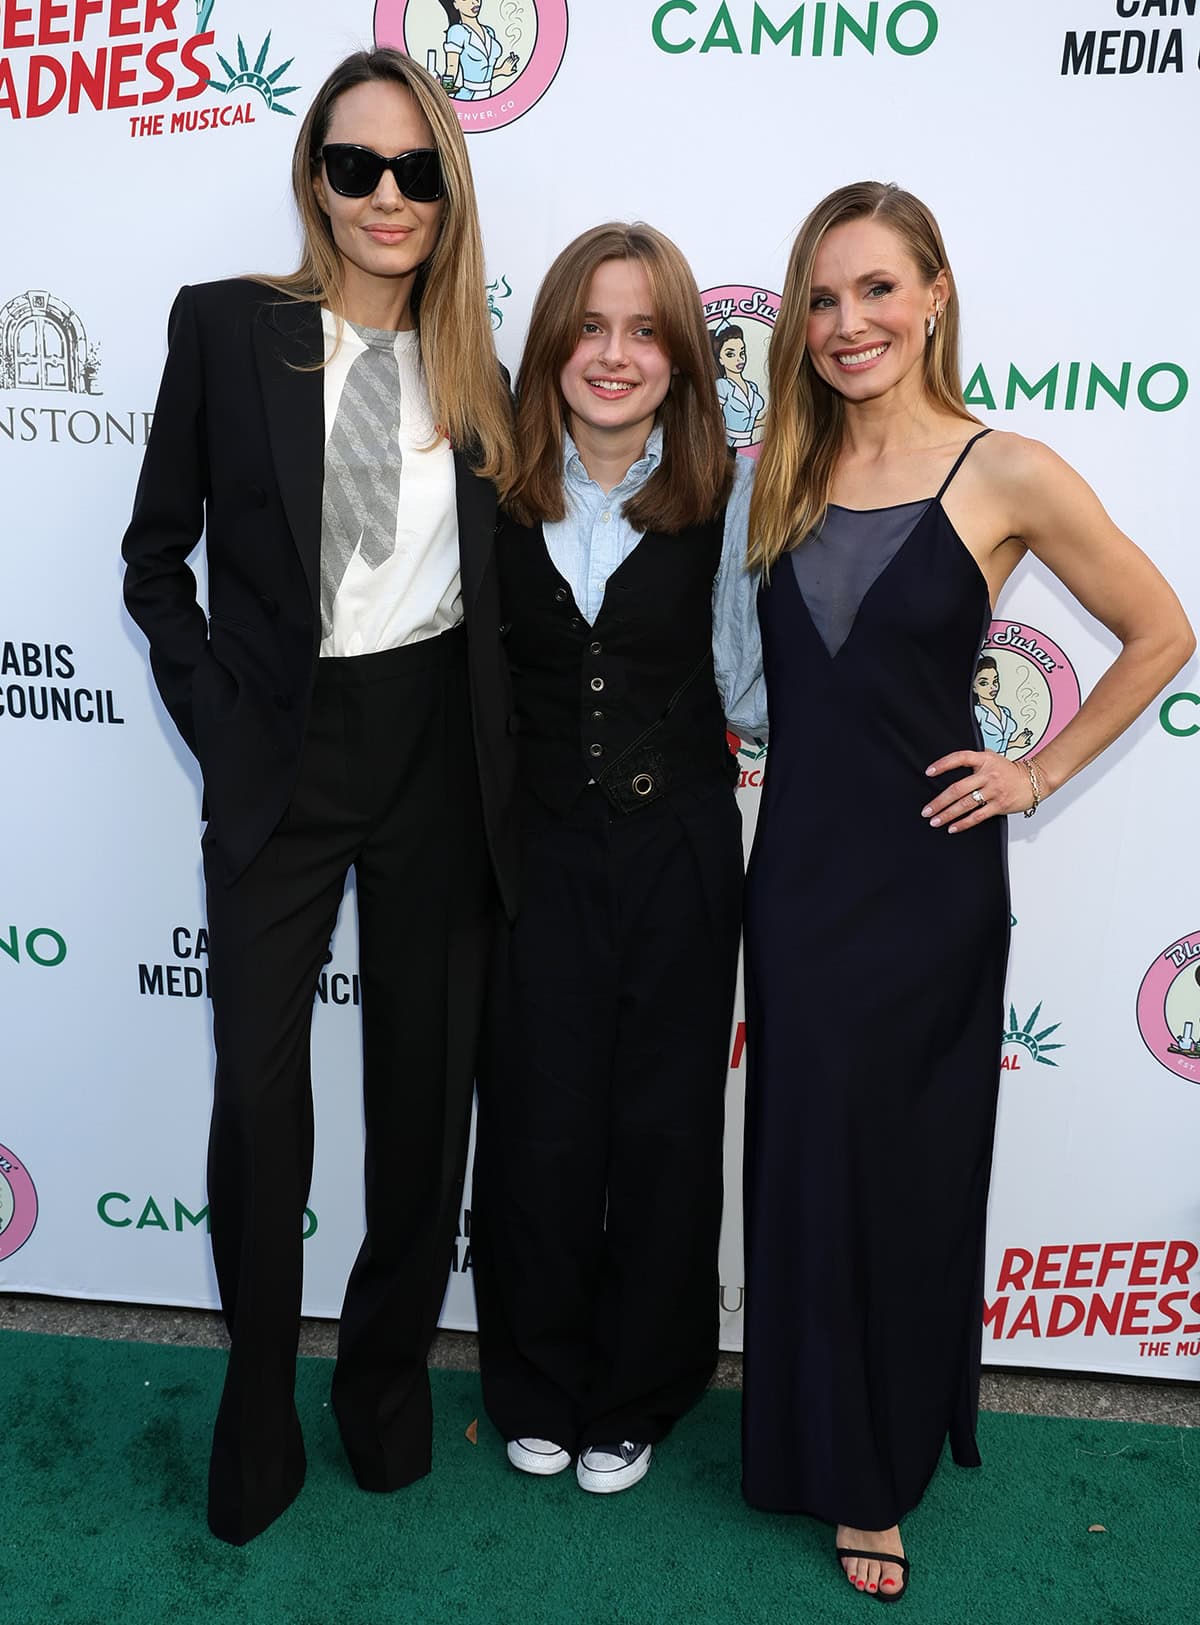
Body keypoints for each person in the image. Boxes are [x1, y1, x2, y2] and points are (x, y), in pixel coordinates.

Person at [741, 180, 1192, 1603]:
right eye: (823, 298)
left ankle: (874, 1477)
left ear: (933, 294)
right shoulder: (783, 467)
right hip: (798, 878)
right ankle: (800, 1439)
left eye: (876, 289)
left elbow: (1159, 629)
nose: (847, 321)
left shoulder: (1006, 471)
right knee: (802, 1163)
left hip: (929, 887)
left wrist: (1033, 772)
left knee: (904, 1172)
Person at [121, 48, 517, 1546]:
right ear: (315, 180)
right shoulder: (228, 331)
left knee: (422, 1102)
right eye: (359, 167)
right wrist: (220, 721)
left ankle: (386, 1395)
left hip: (433, 750)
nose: (389, 197)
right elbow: (156, 559)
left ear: (449, 189)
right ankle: (257, 1407)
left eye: (419, 170)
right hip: (280, 751)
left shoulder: (486, 362)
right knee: (258, 1099)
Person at [470, 223, 765, 1496]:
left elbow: (752, 683)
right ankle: (533, 1379)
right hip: (530, 852)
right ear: (551, 342)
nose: (614, 352)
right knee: (537, 1125)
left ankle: (640, 1387)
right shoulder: (488, 479)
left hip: (681, 853)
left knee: (661, 1131)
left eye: (646, 329)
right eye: (590, 324)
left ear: (683, 357)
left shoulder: (730, 490)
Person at [438, 0, 519, 100]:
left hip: (487, 95)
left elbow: (481, 72)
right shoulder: (457, 31)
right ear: (455, 4)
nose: (474, 2)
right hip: (468, 96)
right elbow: (451, 68)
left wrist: (502, 70)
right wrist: (443, 93)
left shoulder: (489, 31)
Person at [712, 320, 766, 448]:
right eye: (730, 354)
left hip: (753, 446)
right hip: (729, 448)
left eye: (742, 353)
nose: (739, 359)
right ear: (720, 359)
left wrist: (763, 422)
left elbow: (746, 422)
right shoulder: (722, 386)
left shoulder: (752, 387)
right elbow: (715, 421)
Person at [973, 653, 1033, 756]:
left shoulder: (1005, 711)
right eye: (984, 683)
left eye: (995, 681)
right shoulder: (977, 712)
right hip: (984, 764)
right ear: (973, 687)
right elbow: (978, 746)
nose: (993, 687)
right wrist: (1015, 743)